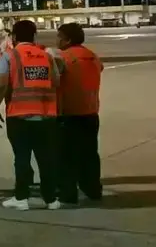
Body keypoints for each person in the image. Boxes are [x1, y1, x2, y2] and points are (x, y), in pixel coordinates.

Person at [0, 20, 61, 210]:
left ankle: (21, 198)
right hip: (45, 116)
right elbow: (56, 80)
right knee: (46, 158)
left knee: (21, 158)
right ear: (34, 36)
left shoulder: (10, 56)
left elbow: (3, 84)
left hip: (19, 115)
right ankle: (51, 199)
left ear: (13, 37)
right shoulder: (46, 56)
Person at [56, 22, 104, 205]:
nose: (57, 41)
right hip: (91, 111)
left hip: (69, 112)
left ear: (67, 40)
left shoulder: (63, 58)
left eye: (59, 37)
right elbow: (100, 68)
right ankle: (92, 189)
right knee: (90, 154)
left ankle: (68, 192)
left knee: (66, 155)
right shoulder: (92, 56)